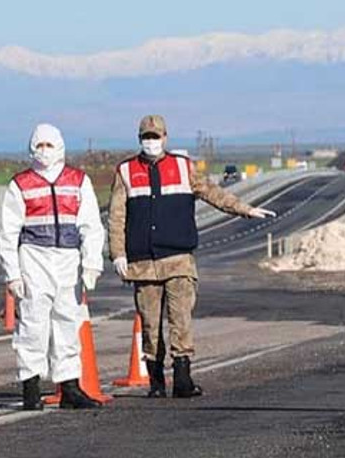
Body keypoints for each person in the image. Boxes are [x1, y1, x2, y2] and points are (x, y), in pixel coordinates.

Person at [108, 115, 275, 399]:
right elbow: (116, 216)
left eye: (155, 136)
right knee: (150, 324)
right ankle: (156, 381)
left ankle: (183, 378)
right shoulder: (126, 171)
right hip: (143, 264)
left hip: (179, 259)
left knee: (180, 319)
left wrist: (244, 209)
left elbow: (213, 193)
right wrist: (118, 253)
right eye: (146, 137)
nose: (151, 142)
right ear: (139, 139)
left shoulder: (183, 167)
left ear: (165, 138)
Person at [0, 123, 105, 410]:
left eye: (49, 144)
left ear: (59, 146)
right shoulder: (20, 184)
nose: (43, 150)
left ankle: (69, 386)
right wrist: (13, 272)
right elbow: (8, 233)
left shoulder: (78, 180)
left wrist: (92, 263)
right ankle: (30, 386)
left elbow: (91, 226)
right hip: (33, 257)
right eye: (39, 145)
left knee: (67, 322)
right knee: (33, 324)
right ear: (31, 147)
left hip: (69, 259)